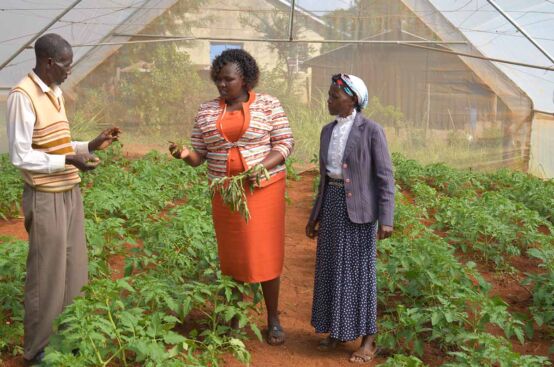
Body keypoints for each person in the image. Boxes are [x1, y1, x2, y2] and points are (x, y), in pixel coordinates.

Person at [6, 33, 121, 365]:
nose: (71, 70)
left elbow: (57, 144)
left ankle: (70, 339)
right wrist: (68, 161)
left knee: (74, 270)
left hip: (69, 191)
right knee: (46, 276)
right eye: (66, 64)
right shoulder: (22, 96)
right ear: (49, 62)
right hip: (45, 196)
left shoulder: (54, 92)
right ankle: (38, 350)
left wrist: (89, 146)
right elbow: (20, 155)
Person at [169, 49, 294, 345]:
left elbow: (286, 143)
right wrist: (185, 154)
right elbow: (200, 156)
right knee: (234, 257)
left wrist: (261, 166)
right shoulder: (206, 111)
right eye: (218, 80)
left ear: (246, 79)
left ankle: (273, 317)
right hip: (226, 194)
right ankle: (236, 314)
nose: (222, 85)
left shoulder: (268, 105)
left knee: (266, 253)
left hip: (264, 191)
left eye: (229, 80)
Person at [305, 73, 395, 363]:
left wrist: (387, 218)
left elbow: (384, 176)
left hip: (359, 210)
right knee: (332, 268)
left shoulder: (371, 131)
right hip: (331, 204)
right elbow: (324, 178)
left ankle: (368, 340)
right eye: (329, 95)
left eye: (334, 95)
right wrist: (314, 215)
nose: (329, 100)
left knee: (359, 272)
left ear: (352, 99)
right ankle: (337, 330)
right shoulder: (326, 131)